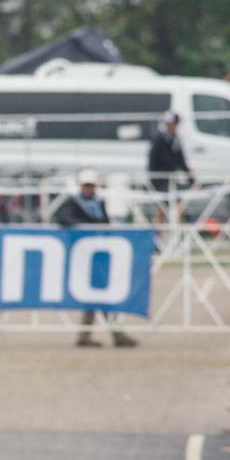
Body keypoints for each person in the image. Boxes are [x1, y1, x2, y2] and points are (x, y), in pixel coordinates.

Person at [53, 169, 137, 348]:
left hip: (99, 254)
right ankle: (113, 334)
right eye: (86, 186)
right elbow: (62, 217)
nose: (88, 189)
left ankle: (91, 335)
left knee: (98, 295)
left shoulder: (99, 203)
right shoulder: (74, 203)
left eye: (91, 185)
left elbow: (105, 224)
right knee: (98, 295)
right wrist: (82, 226)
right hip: (83, 256)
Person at [148, 111, 194, 223]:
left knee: (178, 206)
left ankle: (178, 233)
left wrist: (191, 177)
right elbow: (155, 161)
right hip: (160, 179)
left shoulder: (176, 140)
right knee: (162, 208)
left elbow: (181, 161)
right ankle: (157, 236)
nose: (172, 126)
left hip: (170, 180)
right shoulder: (159, 140)